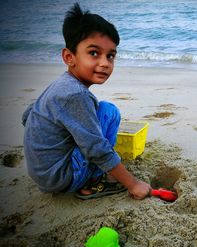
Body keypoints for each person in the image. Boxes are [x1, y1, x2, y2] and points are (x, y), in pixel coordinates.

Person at [21, 3, 151, 200]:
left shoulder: (59, 86)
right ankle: (92, 181)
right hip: (62, 178)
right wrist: (133, 184)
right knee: (108, 112)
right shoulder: (75, 95)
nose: (105, 63)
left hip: (43, 174)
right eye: (93, 53)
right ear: (69, 56)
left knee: (96, 115)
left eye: (111, 55)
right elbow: (97, 149)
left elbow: (27, 116)